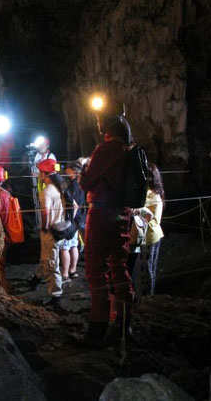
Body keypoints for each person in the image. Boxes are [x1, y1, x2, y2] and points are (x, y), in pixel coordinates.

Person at [80, 108, 134, 346]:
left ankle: (97, 328)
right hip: (123, 214)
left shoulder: (106, 149)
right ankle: (124, 325)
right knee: (119, 265)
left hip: (101, 211)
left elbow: (87, 182)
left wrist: (84, 169)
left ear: (107, 126)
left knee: (95, 268)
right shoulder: (130, 151)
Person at [29, 158, 67, 307]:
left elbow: (45, 212)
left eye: (40, 172)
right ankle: (35, 279)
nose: (39, 175)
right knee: (46, 258)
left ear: (44, 174)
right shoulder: (61, 188)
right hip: (60, 230)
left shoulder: (46, 192)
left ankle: (56, 297)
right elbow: (74, 206)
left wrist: (44, 227)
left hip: (50, 231)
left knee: (52, 264)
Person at [141, 163, 165, 296]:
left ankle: (147, 297)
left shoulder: (149, 195)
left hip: (149, 235)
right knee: (151, 268)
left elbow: (152, 219)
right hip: (154, 235)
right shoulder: (156, 193)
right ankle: (150, 295)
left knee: (147, 268)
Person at [61, 160, 85, 281]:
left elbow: (74, 205)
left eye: (68, 169)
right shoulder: (81, 183)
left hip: (73, 219)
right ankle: (73, 270)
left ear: (74, 171)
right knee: (74, 244)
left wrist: (68, 221)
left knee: (65, 246)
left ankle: (65, 274)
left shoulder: (74, 185)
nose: (66, 171)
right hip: (79, 218)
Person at [0, 162, 13, 292]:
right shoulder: (6, 194)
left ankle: (1, 287)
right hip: (7, 233)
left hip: (0, 233)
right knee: (1, 262)